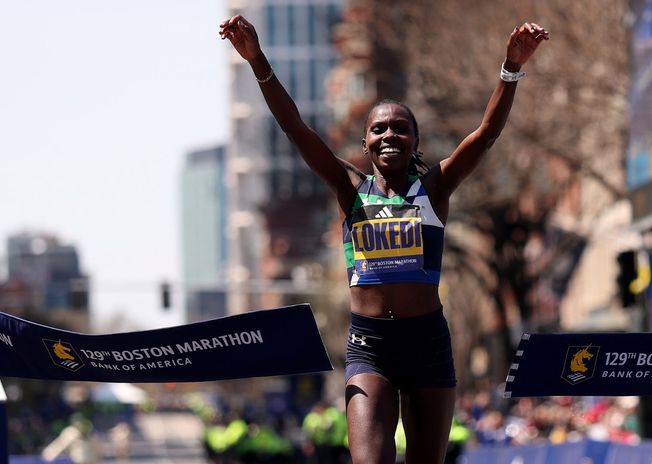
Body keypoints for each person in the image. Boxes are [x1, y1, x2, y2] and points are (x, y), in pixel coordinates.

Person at [219, 15, 548, 464]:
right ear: (365, 141)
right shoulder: (349, 188)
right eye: (379, 128)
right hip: (369, 345)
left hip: (428, 343)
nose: (389, 134)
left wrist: (510, 69)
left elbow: (486, 134)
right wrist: (257, 60)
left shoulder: (435, 189)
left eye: (400, 128)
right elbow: (295, 128)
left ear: (415, 142)